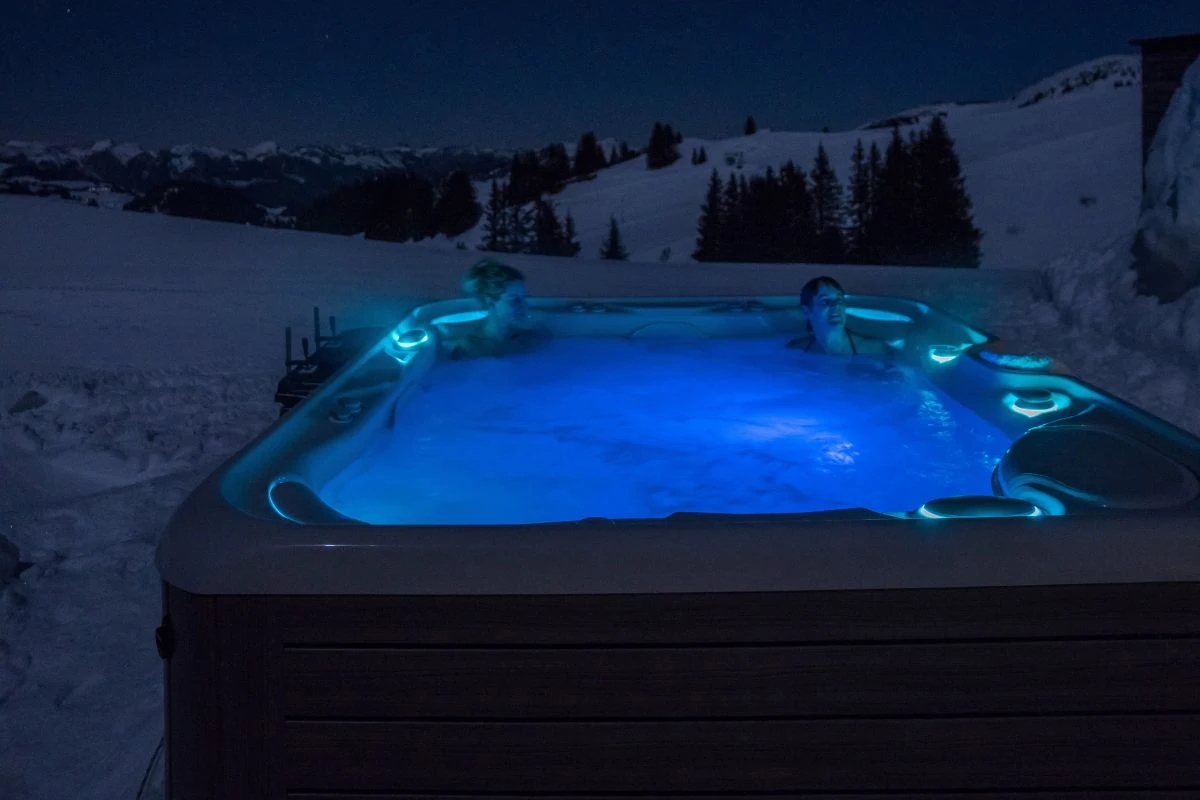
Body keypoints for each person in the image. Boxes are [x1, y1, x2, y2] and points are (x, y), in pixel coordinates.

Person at [447, 259, 547, 358]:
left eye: (524, 298)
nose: (524, 305)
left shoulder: (526, 340)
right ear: (489, 300)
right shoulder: (467, 349)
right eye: (514, 299)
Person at [786, 276, 894, 356]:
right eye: (825, 301)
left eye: (839, 300)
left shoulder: (872, 349)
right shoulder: (796, 350)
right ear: (807, 311)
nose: (836, 306)